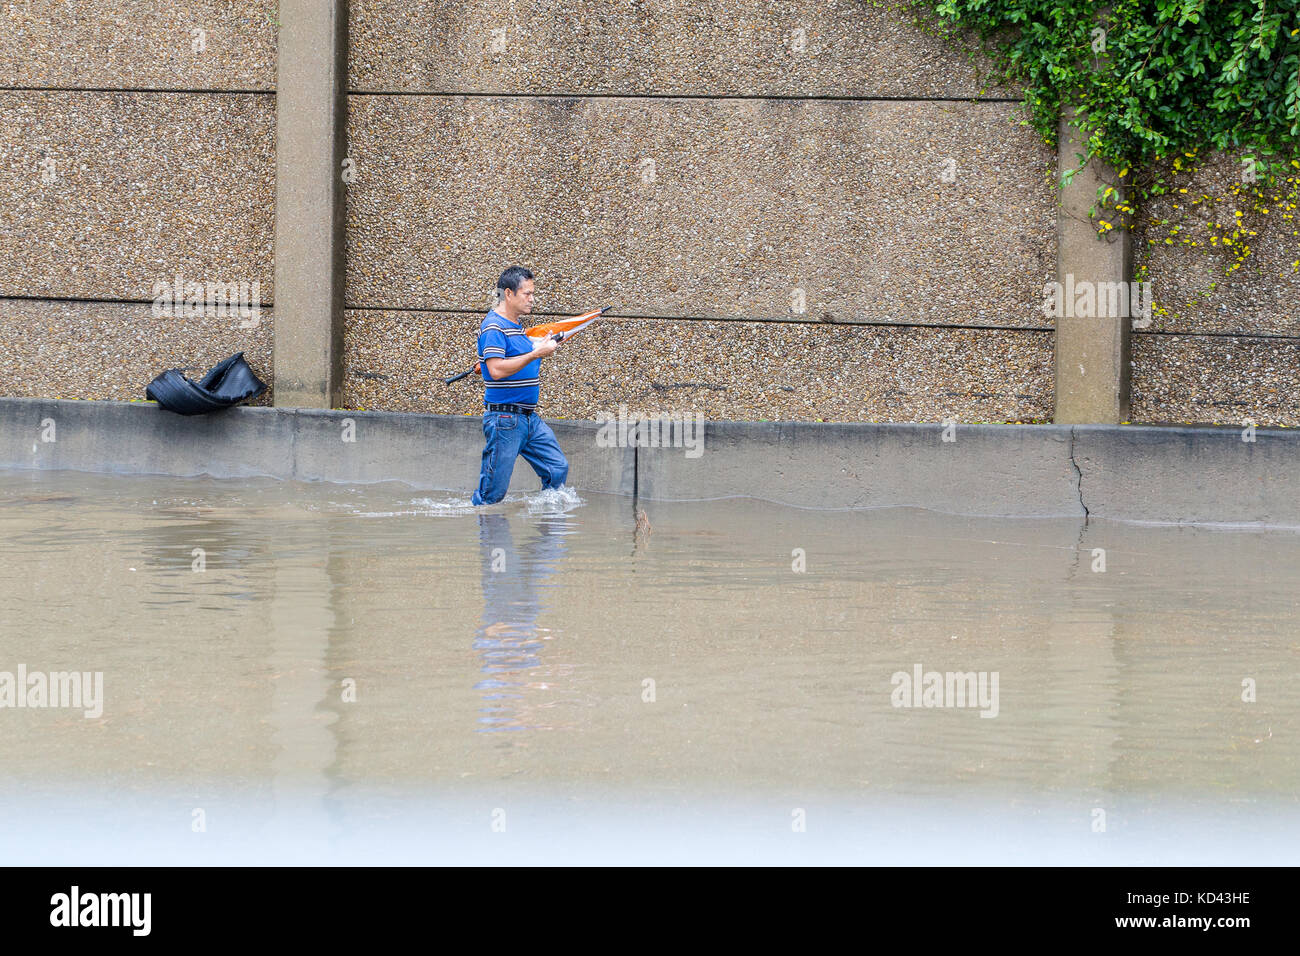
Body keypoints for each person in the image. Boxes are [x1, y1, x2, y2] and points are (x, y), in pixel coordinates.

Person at [470, 266, 569, 506]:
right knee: (492, 494)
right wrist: (536, 354)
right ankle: (483, 524)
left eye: (532, 293)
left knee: (557, 468)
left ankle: (547, 521)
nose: (532, 299)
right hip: (504, 419)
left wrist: (539, 346)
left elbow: (507, 359)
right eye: (527, 294)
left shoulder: (516, 327)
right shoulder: (493, 326)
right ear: (508, 293)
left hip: (529, 418)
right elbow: (496, 370)